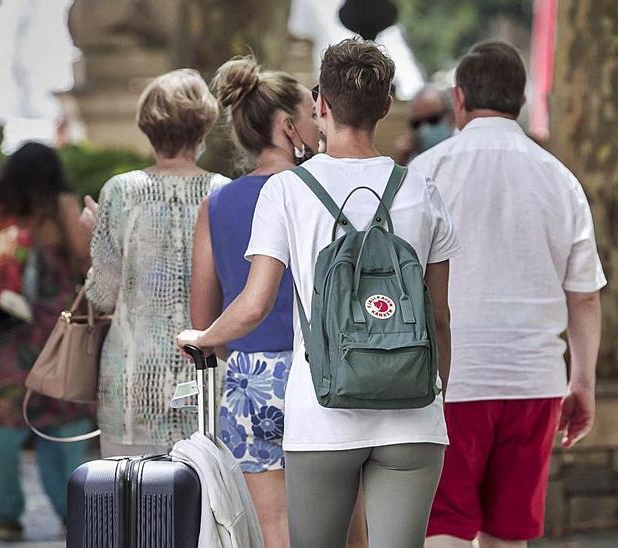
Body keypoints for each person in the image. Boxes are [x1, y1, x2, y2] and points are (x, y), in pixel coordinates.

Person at [175, 37, 460, 548]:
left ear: (322, 105)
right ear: (386, 107)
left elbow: (254, 304)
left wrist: (203, 335)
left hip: (323, 414)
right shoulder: (423, 189)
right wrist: (433, 393)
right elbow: (438, 317)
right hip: (412, 417)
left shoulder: (287, 191)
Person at [411, 41, 606, 548]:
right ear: (520, 99)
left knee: (446, 524)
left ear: (459, 98)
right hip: (535, 379)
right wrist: (581, 380)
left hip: (450, 380)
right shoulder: (560, 179)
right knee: (508, 534)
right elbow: (583, 296)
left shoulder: (424, 174)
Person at [191, 55, 320, 547]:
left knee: (276, 531)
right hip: (323, 375)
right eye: (311, 113)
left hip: (250, 378)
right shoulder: (320, 193)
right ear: (289, 126)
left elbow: (204, 318)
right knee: (346, 532)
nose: (317, 122)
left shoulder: (217, 204)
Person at [82, 69, 230, 457]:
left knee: (132, 502)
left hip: (131, 385)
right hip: (205, 380)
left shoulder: (120, 192)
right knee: (203, 504)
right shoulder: (222, 192)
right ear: (203, 128)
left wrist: (96, 235)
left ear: (147, 128)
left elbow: (102, 294)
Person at [0, 142, 94, 541]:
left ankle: (6, 515)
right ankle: (72, 513)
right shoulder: (62, 207)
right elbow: (84, 263)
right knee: (64, 427)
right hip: (55, 337)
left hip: (1, 339)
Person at [395, 85, 453, 162]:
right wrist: (402, 160)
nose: (425, 129)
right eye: (417, 123)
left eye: (433, 120)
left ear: (452, 115)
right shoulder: (412, 158)